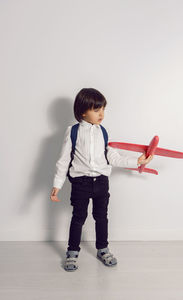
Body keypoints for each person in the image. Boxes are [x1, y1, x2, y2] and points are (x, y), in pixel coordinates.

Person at [50, 88, 153, 272]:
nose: (102, 114)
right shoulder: (72, 132)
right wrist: (57, 185)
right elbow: (64, 160)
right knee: (78, 218)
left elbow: (113, 157)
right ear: (83, 111)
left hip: (101, 183)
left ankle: (102, 249)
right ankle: (72, 252)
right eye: (96, 110)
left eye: (103, 109)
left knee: (101, 217)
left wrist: (136, 161)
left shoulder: (104, 132)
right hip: (80, 183)